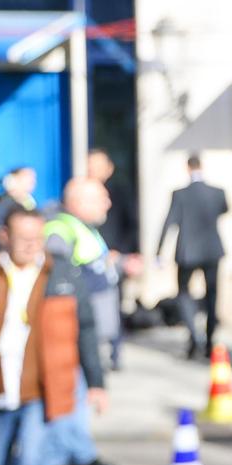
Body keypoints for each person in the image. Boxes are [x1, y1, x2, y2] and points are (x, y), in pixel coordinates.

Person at [0, 209, 106, 465]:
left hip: (40, 391)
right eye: (23, 238)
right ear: (4, 236)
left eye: (37, 238)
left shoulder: (62, 273)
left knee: (31, 463)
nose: (31, 245)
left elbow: (86, 329)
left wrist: (96, 383)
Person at [41, 178, 117, 465]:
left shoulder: (84, 228)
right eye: (101, 198)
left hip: (86, 331)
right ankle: (56, 456)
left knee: (81, 394)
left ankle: (80, 451)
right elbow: (56, 279)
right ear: (78, 202)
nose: (107, 203)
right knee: (66, 392)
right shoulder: (61, 230)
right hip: (71, 331)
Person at [156, 155, 228, 360]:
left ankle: (195, 336)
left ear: (188, 168)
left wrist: (159, 252)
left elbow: (169, 222)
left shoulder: (180, 194)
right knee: (212, 295)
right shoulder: (217, 192)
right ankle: (209, 340)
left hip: (188, 251)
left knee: (184, 293)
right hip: (211, 250)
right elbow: (224, 210)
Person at [86, 148, 142, 369]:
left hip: (113, 258)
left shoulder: (120, 192)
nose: (93, 170)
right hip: (89, 262)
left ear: (109, 168)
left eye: (97, 165)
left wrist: (121, 251)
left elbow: (132, 224)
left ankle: (115, 352)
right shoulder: (80, 191)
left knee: (114, 304)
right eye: (90, 165)